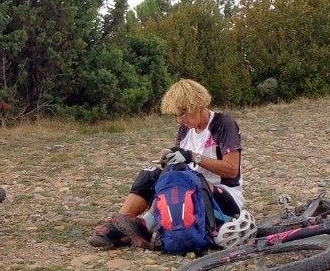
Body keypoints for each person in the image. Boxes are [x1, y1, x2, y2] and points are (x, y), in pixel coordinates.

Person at [89, 78, 246, 248]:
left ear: (196, 105)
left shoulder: (223, 124)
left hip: (223, 199)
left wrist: (193, 157)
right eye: (175, 115)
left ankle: (145, 225)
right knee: (151, 174)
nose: (179, 120)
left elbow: (232, 170)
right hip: (191, 191)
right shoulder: (186, 129)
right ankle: (118, 226)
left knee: (185, 176)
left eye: (182, 113)